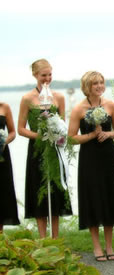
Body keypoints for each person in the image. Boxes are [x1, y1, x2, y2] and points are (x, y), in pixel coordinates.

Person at [68, 71, 114, 262]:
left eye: (101, 82)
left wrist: (108, 134)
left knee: (109, 197)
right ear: (87, 86)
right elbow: (71, 138)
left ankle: (109, 246)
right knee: (92, 198)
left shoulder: (110, 105)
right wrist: (92, 136)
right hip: (89, 158)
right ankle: (96, 247)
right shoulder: (79, 109)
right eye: (95, 83)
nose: (100, 86)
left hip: (108, 157)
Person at [17, 59, 72, 238]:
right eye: (43, 75)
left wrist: (58, 134)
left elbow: (63, 124)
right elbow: (21, 129)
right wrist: (40, 136)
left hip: (55, 150)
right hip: (37, 150)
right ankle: (42, 239)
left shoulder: (59, 97)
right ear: (35, 75)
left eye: (49, 74)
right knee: (39, 191)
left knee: (55, 192)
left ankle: (55, 238)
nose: (47, 78)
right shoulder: (27, 99)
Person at [0, 102, 20, 232]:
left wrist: (3, 141)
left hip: (2, 155)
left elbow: (12, 132)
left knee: (1, 193)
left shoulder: (4, 107)